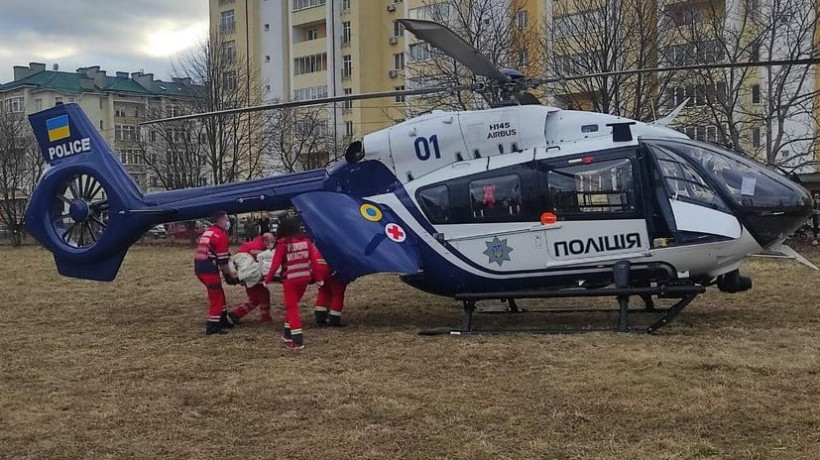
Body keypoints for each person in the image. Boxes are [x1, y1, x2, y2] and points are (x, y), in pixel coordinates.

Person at [264, 215, 321, 350]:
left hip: (290, 279)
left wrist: (267, 279)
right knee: (294, 305)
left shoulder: (283, 243)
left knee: (292, 308)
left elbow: (275, 264)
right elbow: (314, 262)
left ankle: (297, 340)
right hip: (304, 278)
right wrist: (319, 279)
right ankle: (287, 333)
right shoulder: (306, 242)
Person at [194, 211, 239, 335]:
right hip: (208, 269)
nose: (228, 222)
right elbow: (223, 261)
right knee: (216, 297)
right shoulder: (220, 235)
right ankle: (213, 326)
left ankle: (222, 320)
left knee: (219, 293)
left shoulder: (209, 231)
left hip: (200, 267)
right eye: (226, 219)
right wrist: (229, 276)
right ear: (220, 220)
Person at [228, 232, 276, 324]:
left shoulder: (257, 246)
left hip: (252, 276)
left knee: (259, 296)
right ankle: (237, 314)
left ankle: (237, 314)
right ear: (265, 240)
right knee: (259, 296)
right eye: (272, 242)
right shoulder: (256, 248)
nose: (272, 244)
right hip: (250, 276)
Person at [313, 248, 348, 327]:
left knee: (323, 292)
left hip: (319, 271)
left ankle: (320, 318)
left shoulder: (321, 245)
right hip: (334, 273)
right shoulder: (340, 246)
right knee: (337, 295)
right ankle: (334, 319)